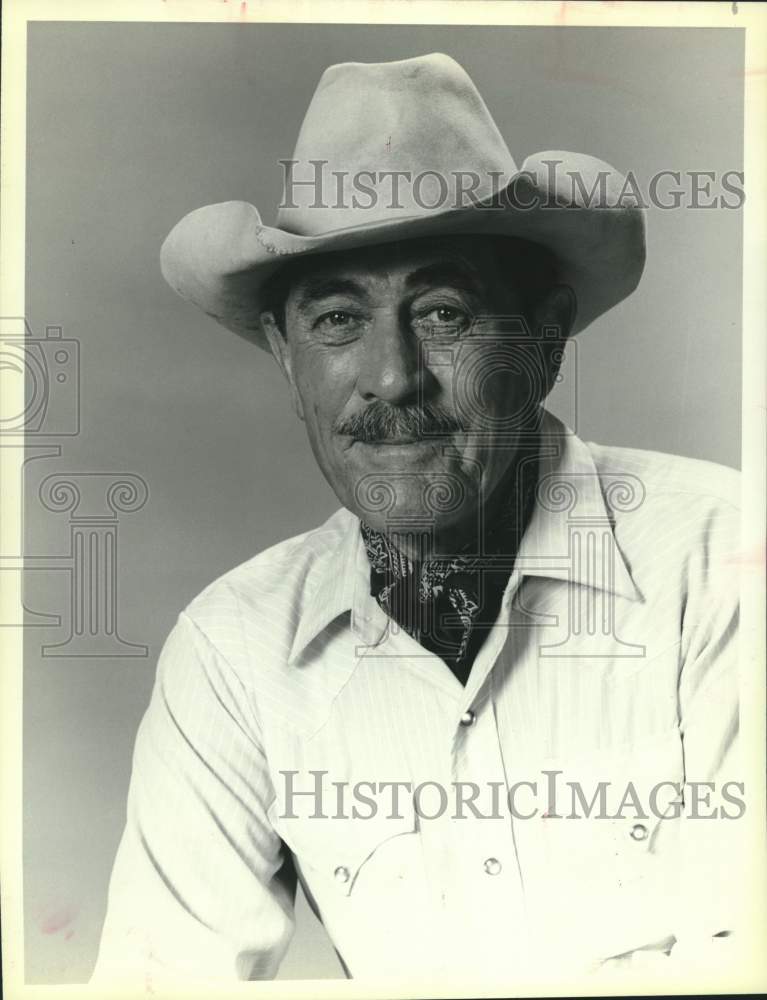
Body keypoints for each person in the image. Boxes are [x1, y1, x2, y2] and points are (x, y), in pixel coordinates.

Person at [93, 53, 742, 987]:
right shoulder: (231, 652)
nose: (392, 380)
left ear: (544, 338)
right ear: (285, 355)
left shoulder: (724, 561)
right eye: (336, 321)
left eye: (442, 313)